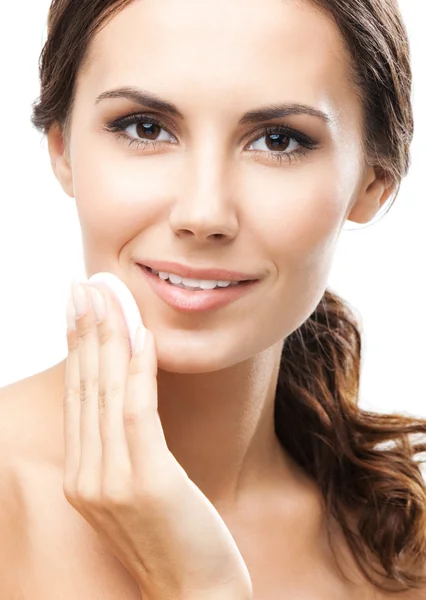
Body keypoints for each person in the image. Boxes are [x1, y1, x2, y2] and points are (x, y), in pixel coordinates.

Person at [0, 0, 425, 597]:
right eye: (145, 127)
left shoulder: (401, 552)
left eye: (278, 141)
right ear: (62, 147)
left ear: (374, 181)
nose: (203, 214)